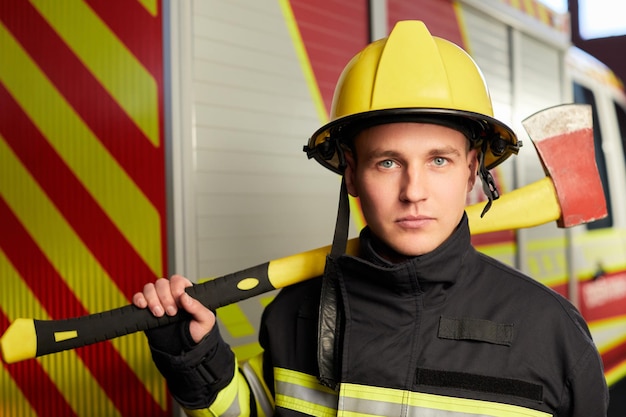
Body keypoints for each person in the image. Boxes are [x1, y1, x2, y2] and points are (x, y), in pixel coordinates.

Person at [133, 20, 608, 416]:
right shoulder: (294, 315)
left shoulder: (551, 332)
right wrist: (197, 358)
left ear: (473, 171)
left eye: (438, 160)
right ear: (352, 175)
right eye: (388, 162)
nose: (414, 192)